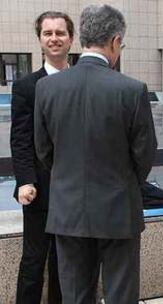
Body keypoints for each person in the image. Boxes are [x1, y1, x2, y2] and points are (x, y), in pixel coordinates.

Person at [33, 4, 157, 304]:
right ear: (115, 41)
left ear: (82, 37)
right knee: (121, 296)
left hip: (68, 210)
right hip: (118, 210)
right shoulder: (132, 89)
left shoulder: (47, 87)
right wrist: (122, 180)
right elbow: (144, 155)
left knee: (75, 296)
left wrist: (68, 177)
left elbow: (43, 150)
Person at [10, 11, 74, 304]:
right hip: (39, 190)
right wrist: (25, 181)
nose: (54, 38)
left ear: (71, 39)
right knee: (33, 262)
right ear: (39, 40)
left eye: (60, 32)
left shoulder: (82, 82)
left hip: (75, 190)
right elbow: (20, 139)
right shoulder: (26, 86)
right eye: (48, 33)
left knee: (66, 264)